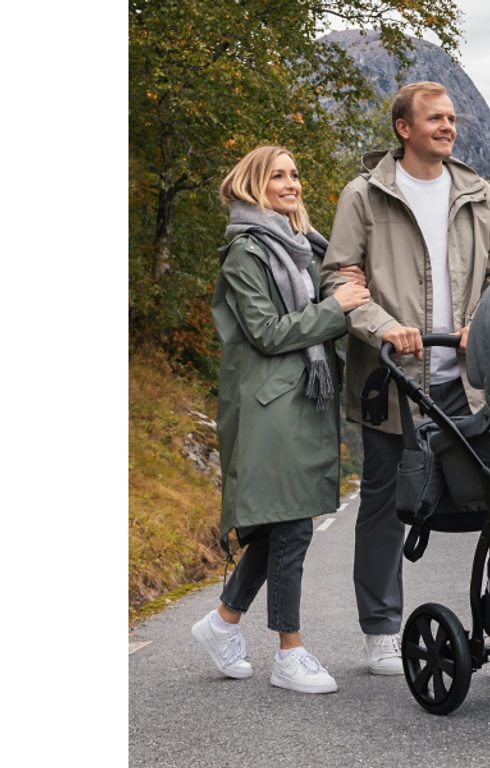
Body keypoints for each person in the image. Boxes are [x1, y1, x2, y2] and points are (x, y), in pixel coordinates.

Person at [321, 81, 490, 682]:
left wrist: (484, 321)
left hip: (471, 382)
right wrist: (384, 329)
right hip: (394, 380)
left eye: (452, 118)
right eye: (435, 119)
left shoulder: (479, 194)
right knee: (385, 502)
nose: (448, 127)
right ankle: (381, 631)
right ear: (404, 128)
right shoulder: (364, 195)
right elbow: (341, 279)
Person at [191, 145, 371, 694]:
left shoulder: (303, 246)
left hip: (300, 401)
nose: (292, 184)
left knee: (279, 524)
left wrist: (341, 290)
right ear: (254, 184)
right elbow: (267, 332)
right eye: (278, 176)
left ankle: (223, 623)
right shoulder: (245, 253)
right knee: (291, 524)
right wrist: (335, 308)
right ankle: (289, 652)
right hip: (269, 405)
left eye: (295, 175)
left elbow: (320, 301)